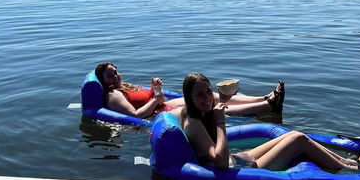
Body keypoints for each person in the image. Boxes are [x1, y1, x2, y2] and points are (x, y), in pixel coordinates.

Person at [177, 72, 360, 171]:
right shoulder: (194, 123)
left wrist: (220, 104)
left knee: (292, 135)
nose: (206, 98)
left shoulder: (202, 114)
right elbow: (219, 162)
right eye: (199, 95)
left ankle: (350, 162)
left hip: (239, 159)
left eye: (207, 92)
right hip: (236, 169)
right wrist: (220, 123)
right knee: (299, 140)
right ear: (189, 98)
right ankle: (356, 170)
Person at [94, 62, 285, 119]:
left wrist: (154, 89)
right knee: (206, 107)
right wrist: (155, 101)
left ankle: (263, 98)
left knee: (212, 97)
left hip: (162, 106)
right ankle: (267, 107)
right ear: (103, 81)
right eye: (110, 75)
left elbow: (144, 99)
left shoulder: (123, 87)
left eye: (116, 72)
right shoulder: (113, 95)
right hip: (158, 115)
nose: (117, 76)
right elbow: (135, 114)